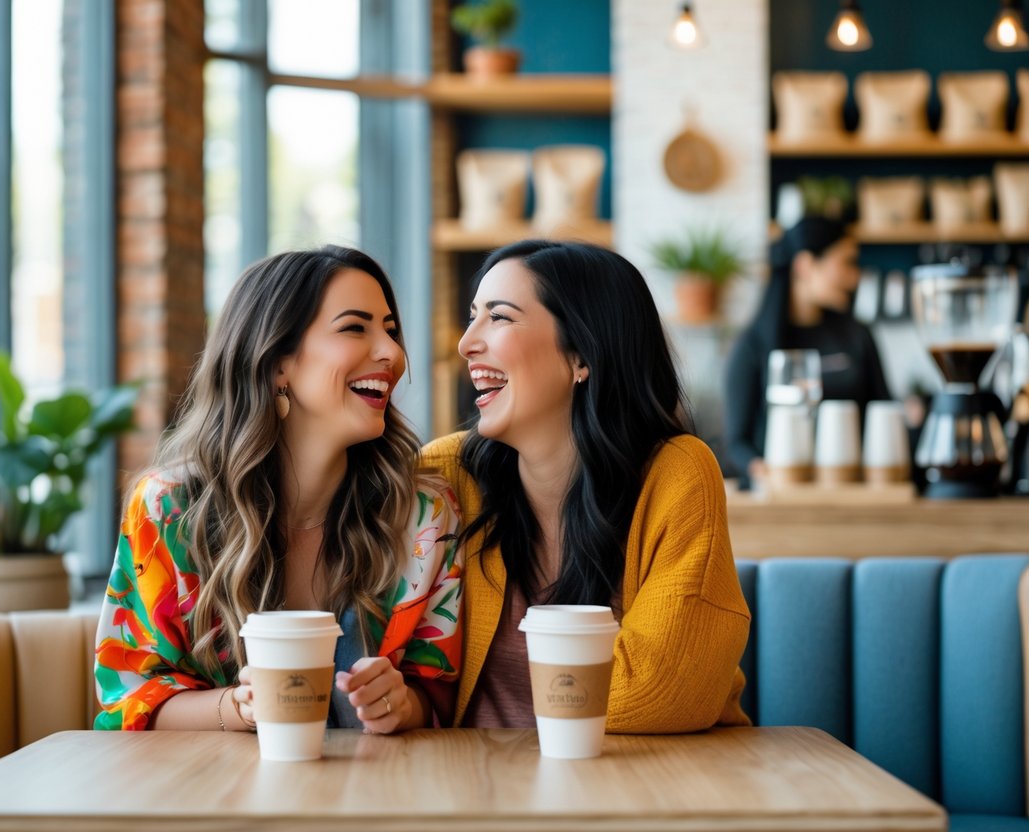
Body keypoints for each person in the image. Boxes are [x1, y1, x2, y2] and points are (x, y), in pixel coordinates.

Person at [95, 246, 463, 733]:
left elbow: (439, 696)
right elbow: (129, 700)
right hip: (205, 796)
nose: (393, 354)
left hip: (371, 795)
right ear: (277, 363)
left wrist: (398, 702)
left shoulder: (423, 519)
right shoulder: (167, 510)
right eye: (355, 327)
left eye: (391, 331)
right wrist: (241, 707)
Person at [421, 239, 751, 733]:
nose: (467, 342)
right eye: (473, 316)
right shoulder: (446, 476)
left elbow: (658, 695)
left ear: (581, 355)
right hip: (486, 794)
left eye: (500, 317)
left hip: (658, 786)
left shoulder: (678, 474)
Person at [724, 216, 891, 488]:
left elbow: (882, 410)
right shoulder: (753, 345)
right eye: (846, 263)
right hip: (780, 499)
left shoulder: (858, 335)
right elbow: (737, 443)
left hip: (852, 493)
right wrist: (767, 473)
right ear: (805, 265)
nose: (855, 276)